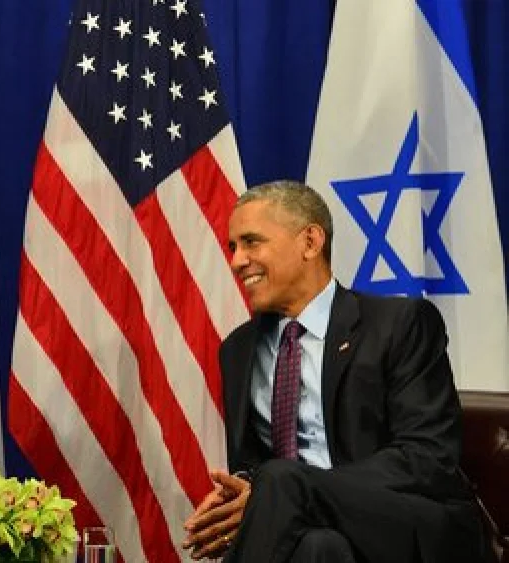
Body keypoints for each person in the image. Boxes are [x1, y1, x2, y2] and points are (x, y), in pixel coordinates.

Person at [182, 181, 489, 562]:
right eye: (233, 247)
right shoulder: (239, 350)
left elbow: (427, 457)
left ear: (310, 242)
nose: (236, 261)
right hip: (310, 533)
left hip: (407, 521)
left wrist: (300, 489)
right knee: (319, 546)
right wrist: (242, 490)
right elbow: (252, 465)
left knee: (282, 480)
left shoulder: (400, 324)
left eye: (251, 242)